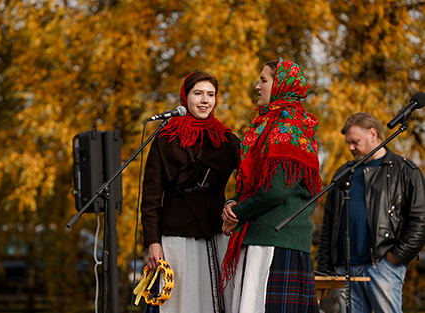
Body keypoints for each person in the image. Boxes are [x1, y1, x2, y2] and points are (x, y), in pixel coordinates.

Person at [220, 58, 322, 312]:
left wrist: (237, 213)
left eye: (264, 80)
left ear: (281, 85)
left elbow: (276, 189)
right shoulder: (273, 125)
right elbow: (257, 185)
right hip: (267, 238)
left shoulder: (288, 128)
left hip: (275, 243)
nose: (257, 86)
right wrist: (233, 204)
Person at [140, 71, 240, 313]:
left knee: (215, 304)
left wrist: (235, 203)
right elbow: (151, 196)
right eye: (198, 94)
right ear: (185, 97)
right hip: (176, 239)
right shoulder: (164, 138)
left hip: (217, 237)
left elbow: (249, 182)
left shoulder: (227, 141)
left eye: (211, 94)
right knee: (179, 304)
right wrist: (153, 242)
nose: (205, 100)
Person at [317, 112, 425, 313]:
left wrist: (395, 257)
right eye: (348, 142)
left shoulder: (405, 171)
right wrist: (325, 269)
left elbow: (420, 221)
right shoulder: (342, 173)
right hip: (345, 270)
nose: (350, 148)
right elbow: (329, 224)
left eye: (355, 142)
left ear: (373, 134)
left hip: (383, 266)